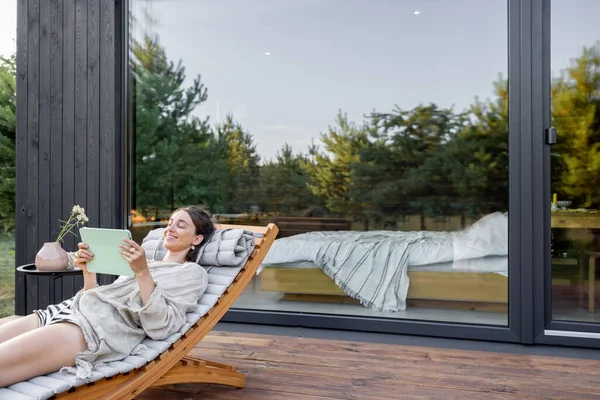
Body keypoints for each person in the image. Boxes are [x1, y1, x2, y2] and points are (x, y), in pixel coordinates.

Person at [0, 206, 214, 388]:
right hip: (67, 310)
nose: (170, 228)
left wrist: (141, 273)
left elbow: (160, 326)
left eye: (181, 225)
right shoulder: (143, 262)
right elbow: (96, 297)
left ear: (197, 238)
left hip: (91, 330)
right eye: (170, 222)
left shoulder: (192, 273)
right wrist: (88, 271)